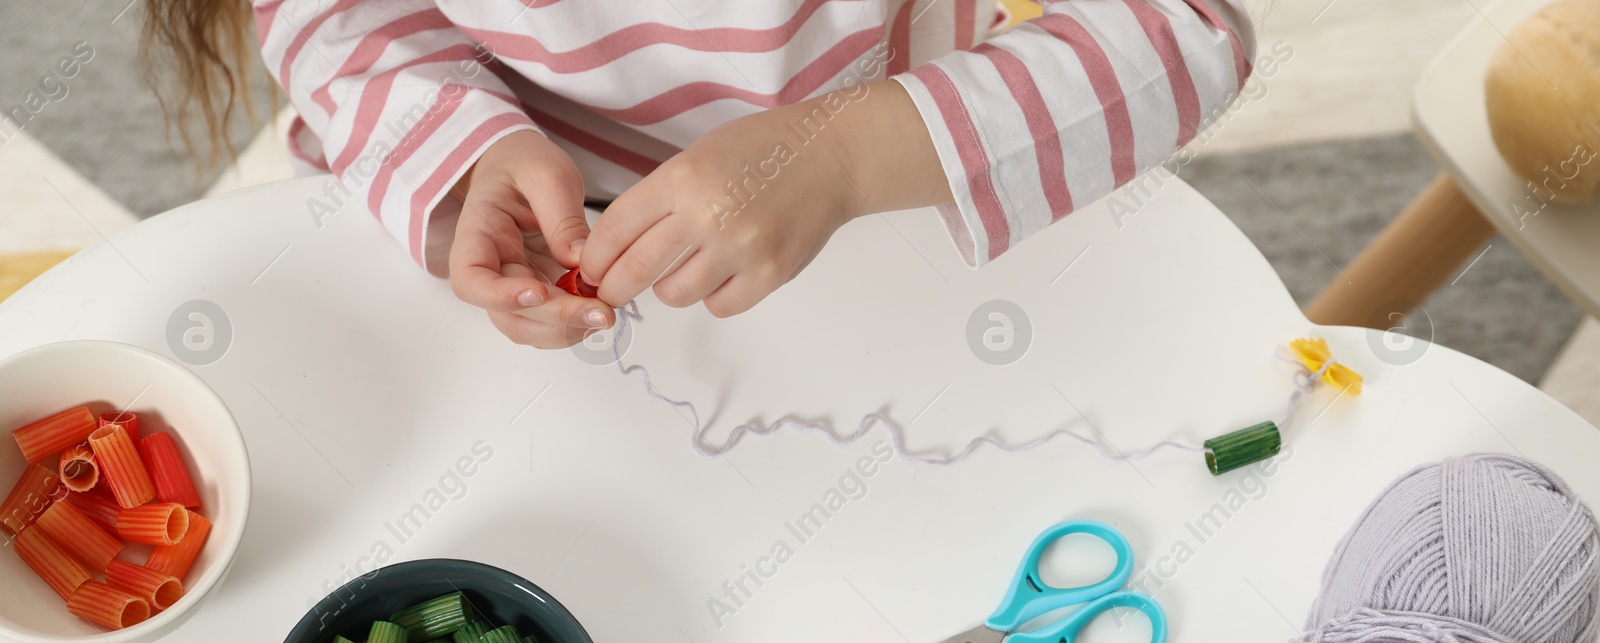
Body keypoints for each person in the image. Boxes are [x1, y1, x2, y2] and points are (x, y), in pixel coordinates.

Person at [145, 1, 1254, 349]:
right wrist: (456, 156)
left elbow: (1185, 35)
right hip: (500, 252)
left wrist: (841, 154)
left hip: (885, 235)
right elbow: (334, 15)